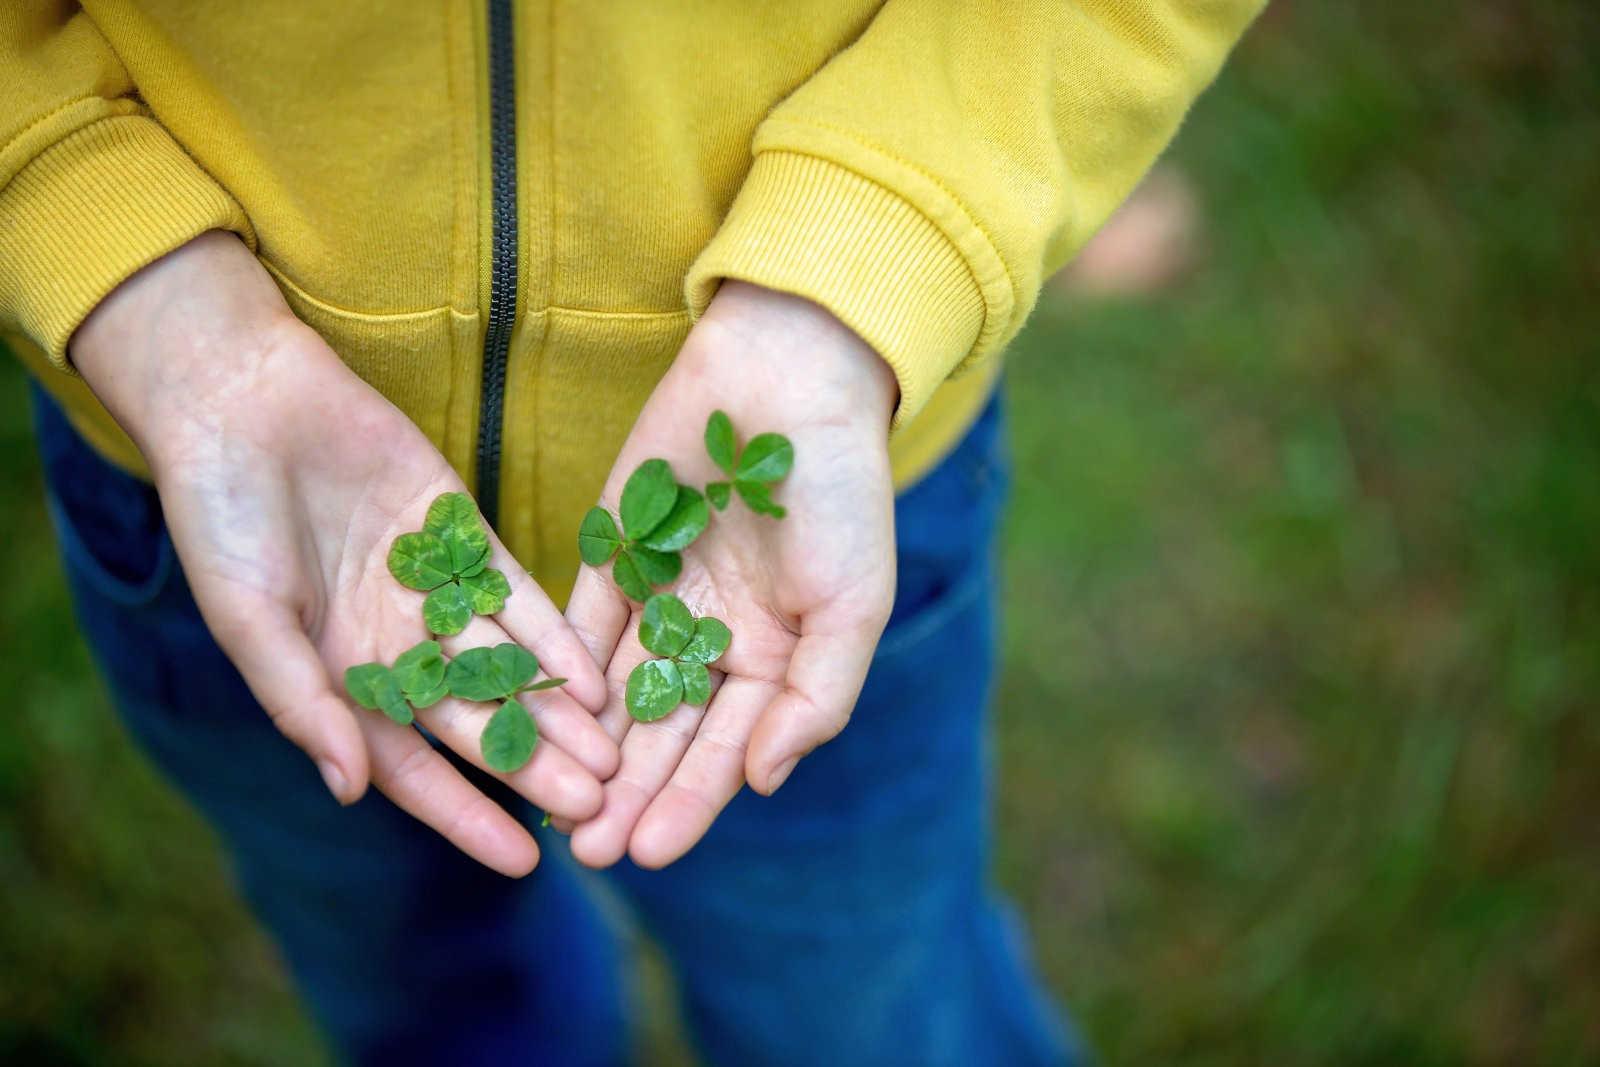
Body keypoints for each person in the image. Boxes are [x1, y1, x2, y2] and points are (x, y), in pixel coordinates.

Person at [1, 3, 1263, 1064]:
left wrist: (874, 255)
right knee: (422, 998)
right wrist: (121, 267)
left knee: (868, 1007)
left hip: (822, 502)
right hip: (222, 504)